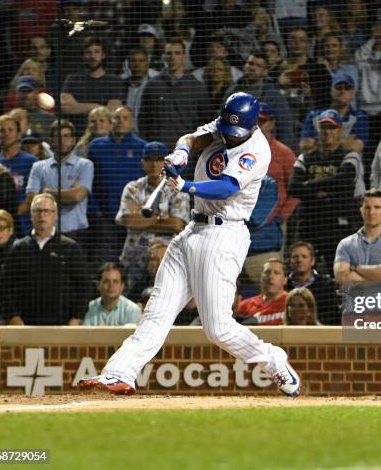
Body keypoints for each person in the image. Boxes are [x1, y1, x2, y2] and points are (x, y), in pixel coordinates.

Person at [77, 92, 301, 397]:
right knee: (157, 311)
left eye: (237, 133)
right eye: (227, 129)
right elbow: (192, 137)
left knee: (218, 328)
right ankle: (120, 372)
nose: (230, 137)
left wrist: (185, 185)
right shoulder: (225, 124)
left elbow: (226, 187)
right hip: (192, 229)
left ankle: (274, 360)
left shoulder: (257, 151)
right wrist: (181, 152)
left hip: (224, 236)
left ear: (252, 126)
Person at [288, 109, 365, 269]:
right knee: (303, 270)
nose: (327, 132)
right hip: (309, 224)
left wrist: (309, 184)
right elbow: (293, 188)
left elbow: (344, 182)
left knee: (339, 271)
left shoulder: (349, 155)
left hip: (337, 224)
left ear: (340, 131)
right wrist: (329, 188)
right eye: (324, 127)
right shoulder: (305, 157)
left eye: (332, 127)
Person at [0, 193, 90, 325]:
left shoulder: (70, 248)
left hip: (62, 328)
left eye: (47, 211)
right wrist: (13, 317)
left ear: (55, 215)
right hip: (25, 328)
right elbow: (5, 287)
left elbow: (84, 286)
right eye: (38, 211)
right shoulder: (18, 248)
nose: (42, 215)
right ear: (31, 216)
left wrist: (76, 318)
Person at [115, 141, 189, 296]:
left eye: (159, 159)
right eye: (149, 159)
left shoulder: (178, 188)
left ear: (167, 162)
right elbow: (129, 221)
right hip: (133, 259)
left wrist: (143, 219)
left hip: (165, 260)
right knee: (129, 299)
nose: (154, 164)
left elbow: (177, 224)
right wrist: (163, 218)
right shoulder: (132, 188)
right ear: (143, 163)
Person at [334, 188, 381, 321]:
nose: (372, 212)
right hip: (353, 317)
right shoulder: (345, 244)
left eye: (377, 207)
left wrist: (356, 269)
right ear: (361, 209)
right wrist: (379, 278)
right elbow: (342, 278)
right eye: (367, 207)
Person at [87, 106, 147, 262]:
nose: (121, 121)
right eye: (117, 118)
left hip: (133, 217)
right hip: (104, 218)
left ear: (132, 123)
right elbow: (90, 181)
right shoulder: (96, 146)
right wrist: (95, 211)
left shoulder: (142, 147)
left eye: (125, 118)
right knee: (106, 261)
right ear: (111, 121)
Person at [25, 120, 93, 241]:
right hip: (45, 233)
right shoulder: (38, 167)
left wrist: (46, 192)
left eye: (66, 136)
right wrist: (67, 194)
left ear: (73, 140)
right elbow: (32, 200)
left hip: (76, 233)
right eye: (58, 136)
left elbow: (77, 196)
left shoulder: (85, 165)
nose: (62, 140)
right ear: (51, 140)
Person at [138, 40, 205, 149]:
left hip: (188, 153)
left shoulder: (197, 88)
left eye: (177, 53)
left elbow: (204, 122)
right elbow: (143, 120)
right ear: (164, 56)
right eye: (169, 53)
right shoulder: (152, 86)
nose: (172, 57)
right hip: (159, 152)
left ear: (184, 57)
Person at [224, 52, 295, 150]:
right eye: (250, 63)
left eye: (258, 65)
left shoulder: (274, 95)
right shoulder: (232, 92)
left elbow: (285, 125)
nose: (252, 68)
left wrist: (280, 151)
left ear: (265, 71)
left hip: (265, 148)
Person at [61, 37, 126, 134]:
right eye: (88, 52)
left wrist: (78, 107)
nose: (92, 56)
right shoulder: (72, 79)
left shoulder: (114, 81)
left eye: (96, 52)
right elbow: (66, 107)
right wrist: (97, 106)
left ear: (103, 55)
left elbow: (112, 111)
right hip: (77, 136)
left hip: (105, 138)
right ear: (83, 56)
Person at [300, 73, 369, 155]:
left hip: (348, 165)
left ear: (353, 94)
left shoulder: (359, 117)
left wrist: (322, 141)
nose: (342, 91)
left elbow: (356, 146)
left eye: (347, 88)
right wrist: (342, 142)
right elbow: (304, 146)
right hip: (319, 164)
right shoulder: (314, 115)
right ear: (331, 91)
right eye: (338, 88)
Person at [0, 114, 38, 235]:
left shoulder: (31, 162)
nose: (6, 134)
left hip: (24, 224)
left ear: (18, 134)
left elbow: (34, 194)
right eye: (2, 130)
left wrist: (15, 213)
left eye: (10, 130)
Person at [287, 241, 340, 325]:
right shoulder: (284, 284)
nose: (299, 260)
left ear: (312, 261)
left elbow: (332, 316)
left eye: (304, 256)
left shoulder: (327, 285)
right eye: (295, 257)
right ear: (290, 261)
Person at [237, 258, 288, 325]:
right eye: (267, 272)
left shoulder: (292, 302)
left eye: (276, 273)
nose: (270, 276)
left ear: (285, 280)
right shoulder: (244, 306)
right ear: (261, 277)